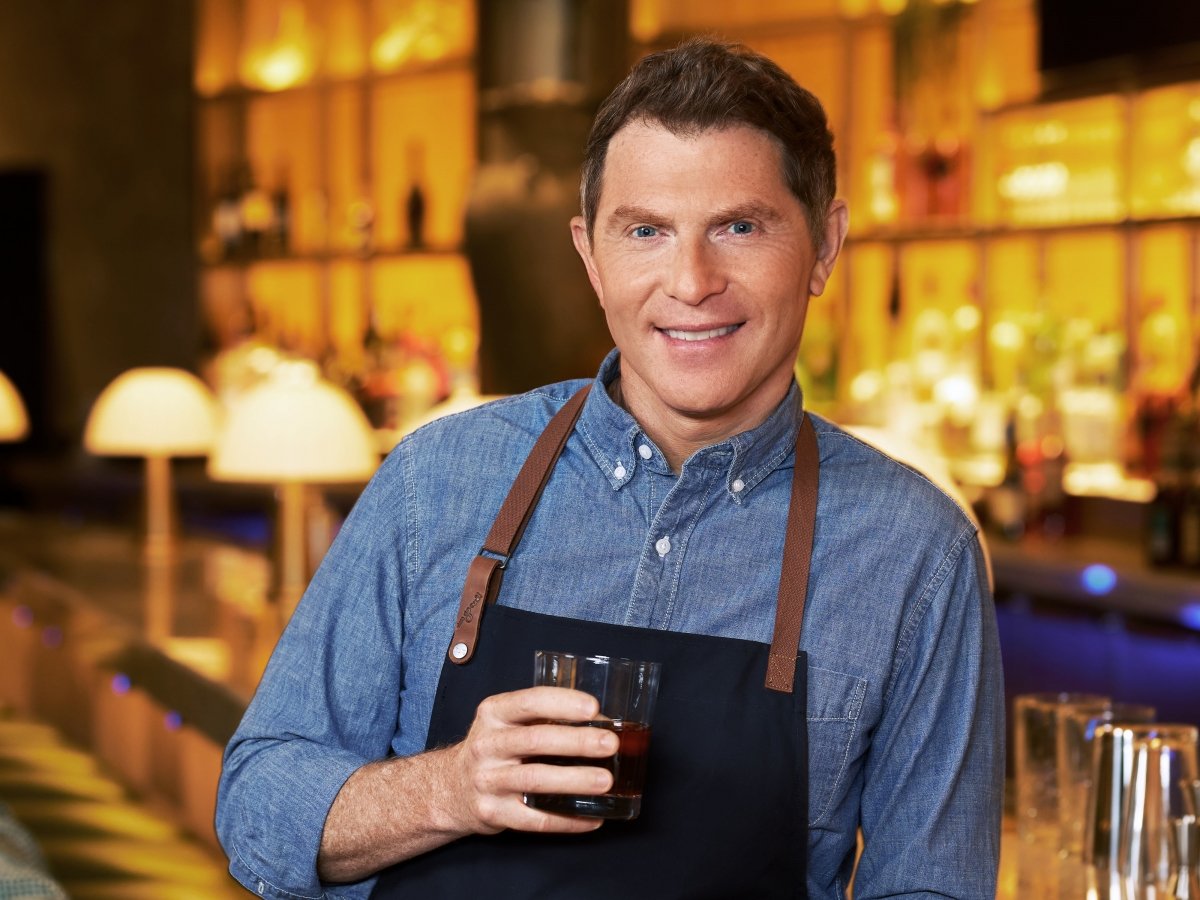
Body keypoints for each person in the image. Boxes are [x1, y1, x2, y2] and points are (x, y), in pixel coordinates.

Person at [215, 38, 1004, 899]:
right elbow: (257, 810)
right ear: (592, 257)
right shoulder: (433, 484)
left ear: (824, 245)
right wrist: (451, 788)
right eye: (647, 232)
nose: (692, 281)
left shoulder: (915, 551)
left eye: (739, 227)